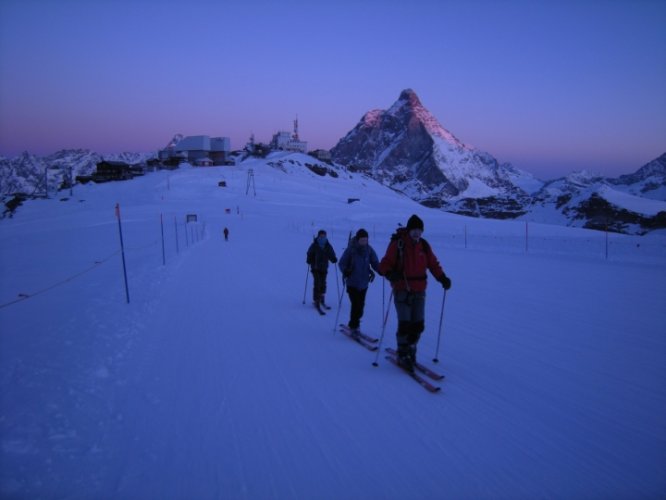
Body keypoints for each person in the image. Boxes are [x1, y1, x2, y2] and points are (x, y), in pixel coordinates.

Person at [379, 214, 451, 372]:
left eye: (419, 230)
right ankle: (402, 353)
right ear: (409, 230)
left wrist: (442, 278)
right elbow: (384, 264)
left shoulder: (424, 246)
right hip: (401, 290)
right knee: (405, 324)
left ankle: (411, 348)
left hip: (420, 291)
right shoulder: (398, 244)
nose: (417, 233)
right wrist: (390, 274)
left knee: (418, 325)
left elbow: (433, 263)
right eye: (414, 230)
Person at [338, 229, 381, 337]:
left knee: (361, 307)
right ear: (357, 240)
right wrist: (345, 271)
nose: (364, 242)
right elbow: (342, 263)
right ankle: (353, 326)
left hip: (364, 283)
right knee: (356, 305)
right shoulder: (351, 250)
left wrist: (382, 270)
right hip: (352, 283)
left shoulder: (369, 250)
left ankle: (356, 325)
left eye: (365, 240)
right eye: (362, 240)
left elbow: (375, 262)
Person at [306, 229, 338, 312]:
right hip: (315, 267)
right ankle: (316, 300)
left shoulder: (327, 245)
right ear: (318, 236)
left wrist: (333, 259)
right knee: (317, 283)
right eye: (321, 236)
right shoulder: (314, 245)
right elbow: (309, 253)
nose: (323, 237)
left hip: (324, 267)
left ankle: (322, 298)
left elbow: (331, 253)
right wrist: (309, 259)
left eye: (324, 236)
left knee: (323, 283)